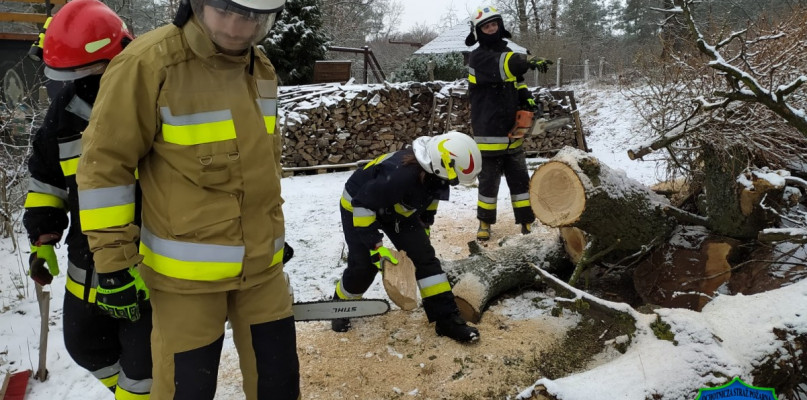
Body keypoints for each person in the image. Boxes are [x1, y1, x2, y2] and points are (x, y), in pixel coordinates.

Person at [75, 0, 299, 399]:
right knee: (185, 391)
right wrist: (112, 261)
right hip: (186, 283)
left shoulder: (261, 67)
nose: (236, 26)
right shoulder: (148, 64)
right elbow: (104, 166)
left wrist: (266, 229)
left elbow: (262, 164)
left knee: (279, 384)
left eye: (252, 17)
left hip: (262, 271)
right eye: (226, 10)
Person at [22, 1, 152, 398]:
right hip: (87, 264)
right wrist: (42, 238)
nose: (80, 81)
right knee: (85, 348)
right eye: (70, 75)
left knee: (144, 367)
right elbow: (47, 178)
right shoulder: (66, 111)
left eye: (90, 70)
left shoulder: (154, 100)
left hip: (147, 267)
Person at [331, 131, 483, 343]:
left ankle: (447, 319)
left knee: (425, 260)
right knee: (364, 266)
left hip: (399, 210)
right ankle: (340, 306)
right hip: (360, 205)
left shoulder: (436, 173)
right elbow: (363, 205)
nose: (453, 183)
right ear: (442, 164)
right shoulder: (400, 175)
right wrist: (376, 247)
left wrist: (423, 230)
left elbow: (430, 200)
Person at [464, 5, 552, 241]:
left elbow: (517, 82)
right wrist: (529, 59)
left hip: (512, 130)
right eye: (486, 26)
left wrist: (528, 100)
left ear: (500, 26)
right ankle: (484, 223)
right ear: (479, 31)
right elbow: (504, 65)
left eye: (494, 24)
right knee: (488, 185)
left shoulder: (508, 52)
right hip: (489, 131)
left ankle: (526, 222)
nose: (491, 29)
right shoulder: (478, 57)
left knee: (520, 181)